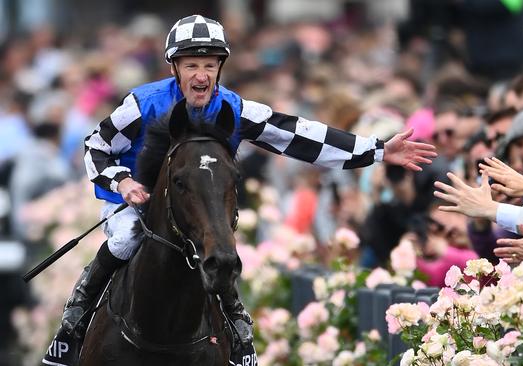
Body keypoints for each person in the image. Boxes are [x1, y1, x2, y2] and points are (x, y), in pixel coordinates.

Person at [57, 14, 437, 350]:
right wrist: (122, 181)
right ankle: (76, 316)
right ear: (174, 68)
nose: (201, 76)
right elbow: (96, 146)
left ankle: (237, 324)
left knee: (219, 243)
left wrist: (378, 150)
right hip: (136, 197)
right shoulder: (143, 103)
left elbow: (301, 136)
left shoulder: (236, 108)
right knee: (126, 237)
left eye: (209, 65)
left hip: (199, 202)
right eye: (191, 65)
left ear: (220, 68)